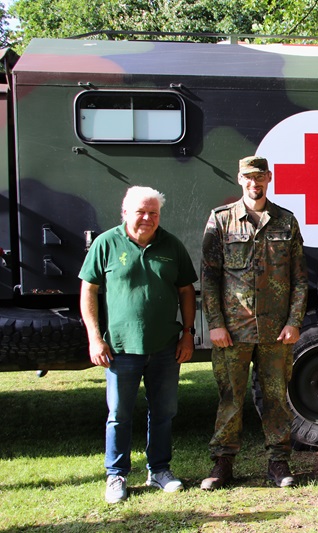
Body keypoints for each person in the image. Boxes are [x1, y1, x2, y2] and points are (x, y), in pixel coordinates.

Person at [79, 186, 198, 504]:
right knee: (119, 413)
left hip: (164, 346)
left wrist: (188, 332)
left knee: (164, 412)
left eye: (154, 212)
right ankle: (116, 475)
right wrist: (94, 336)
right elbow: (88, 290)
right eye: (141, 211)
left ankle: (159, 470)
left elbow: (187, 290)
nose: (147, 217)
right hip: (120, 347)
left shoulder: (171, 245)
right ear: (125, 212)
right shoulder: (106, 243)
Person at [200, 155, 308, 490]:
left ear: (269, 179)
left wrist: (294, 321)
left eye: (260, 177)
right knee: (230, 397)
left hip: (276, 331)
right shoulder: (221, 220)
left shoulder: (286, 222)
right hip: (233, 330)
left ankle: (278, 463)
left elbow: (300, 280)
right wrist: (215, 323)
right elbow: (209, 278)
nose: (254, 183)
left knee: (276, 397)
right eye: (248, 177)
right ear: (239, 179)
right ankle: (222, 464)